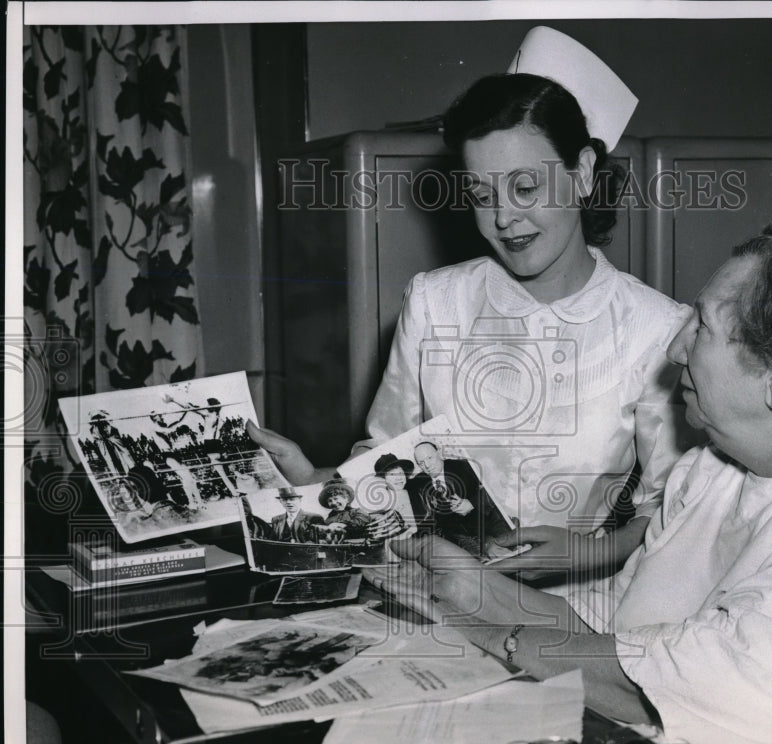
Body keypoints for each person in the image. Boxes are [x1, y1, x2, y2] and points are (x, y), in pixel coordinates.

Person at [373, 216, 772, 744]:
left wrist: (498, 636)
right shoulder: (713, 468)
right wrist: (474, 589)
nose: (676, 347)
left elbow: (719, 682)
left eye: (703, 327)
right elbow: (619, 628)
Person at [248, 27, 695, 581]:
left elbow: (675, 511)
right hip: (431, 593)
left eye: (525, 188)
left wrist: (588, 552)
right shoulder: (436, 303)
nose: (503, 218)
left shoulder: (658, 330)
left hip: (570, 604)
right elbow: (389, 463)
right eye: (483, 195)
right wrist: (314, 481)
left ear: (582, 173)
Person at [405, 440, 510, 558]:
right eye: (421, 463)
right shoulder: (418, 484)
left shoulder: (464, 466)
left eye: (430, 458)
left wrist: (472, 503)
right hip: (459, 539)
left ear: (439, 453)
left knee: (506, 552)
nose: (427, 466)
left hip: (488, 524)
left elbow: (495, 488)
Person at [373, 452, 418, 532]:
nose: (399, 478)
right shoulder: (381, 501)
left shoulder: (412, 491)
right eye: (392, 474)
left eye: (400, 473)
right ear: (383, 479)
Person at [316, 478, 372, 542]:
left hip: (354, 544)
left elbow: (361, 520)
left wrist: (343, 525)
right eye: (330, 501)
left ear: (346, 499)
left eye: (336, 498)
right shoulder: (329, 518)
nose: (333, 503)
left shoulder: (356, 512)